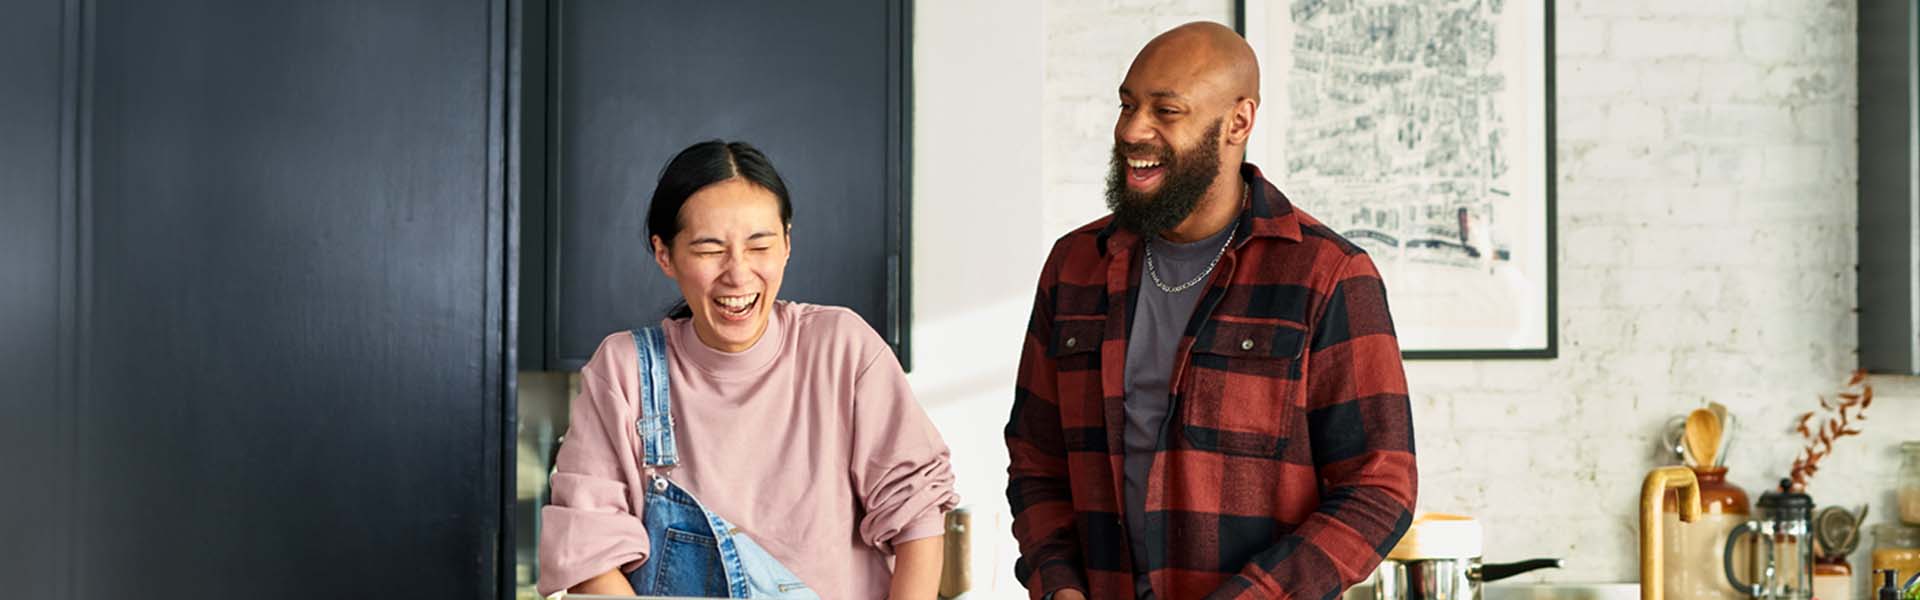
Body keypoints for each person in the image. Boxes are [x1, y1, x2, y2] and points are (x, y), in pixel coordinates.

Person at [1003, 22, 1417, 600]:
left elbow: (1379, 487)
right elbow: (1035, 459)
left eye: (1166, 111)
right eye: (1127, 105)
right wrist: (1058, 585)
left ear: (1239, 122)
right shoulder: (1074, 265)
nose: (1131, 130)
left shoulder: (1328, 275)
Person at [539, 140, 957, 599]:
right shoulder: (624, 371)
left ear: (786, 245)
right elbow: (590, 555)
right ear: (665, 254)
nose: (737, 274)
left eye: (759, 245)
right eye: (709, 249)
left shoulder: (843, 348)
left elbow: (916, 514)